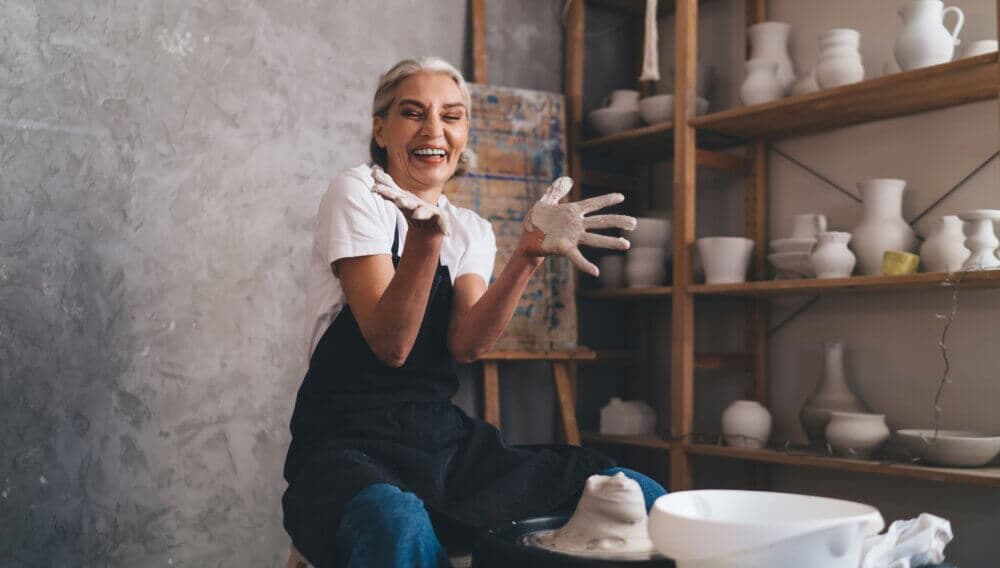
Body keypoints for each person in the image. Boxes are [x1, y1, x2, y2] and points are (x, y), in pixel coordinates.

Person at [282, 57, 665, 568]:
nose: (433, 130)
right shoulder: (358, 193)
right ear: (381, 129)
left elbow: (466, 344)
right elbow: (391, 345)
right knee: (397, 523)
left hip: (440, 444)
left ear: (464, 133)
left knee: (631, 490)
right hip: (345, 447)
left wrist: (526, 256)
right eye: (412, 113)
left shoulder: (470, 228)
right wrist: (424, 241)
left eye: (451, 115)